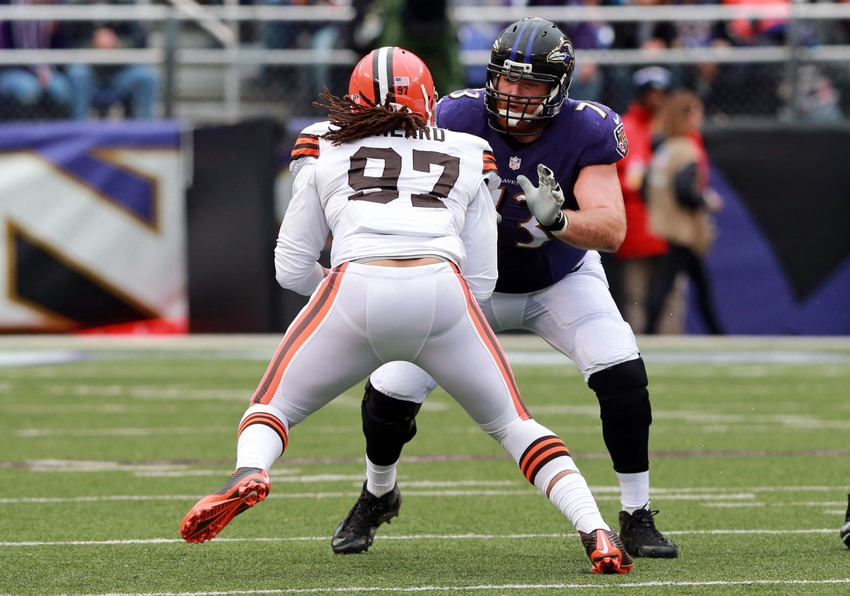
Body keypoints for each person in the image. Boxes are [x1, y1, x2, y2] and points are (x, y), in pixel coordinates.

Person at [179, 46, 633, 575]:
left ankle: (249, 470)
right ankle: (595, 527)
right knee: (515, 425)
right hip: (442, 288)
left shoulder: (321, 145)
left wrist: (338, 294)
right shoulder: (469, 150)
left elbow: (291, 266)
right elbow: (483, 278)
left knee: (270, 409)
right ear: (428, 100)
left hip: (355, 284)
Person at [332, 18, 679, 561]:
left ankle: (636, 514)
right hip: (468, 283)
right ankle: (378, 493)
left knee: (624, 375)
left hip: (557, 279)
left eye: (531, 84)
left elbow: (612, 230)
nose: (515, 94)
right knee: (389, 392)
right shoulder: (453, 116)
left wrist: (560, 219)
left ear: (559, 88)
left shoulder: (587, 129)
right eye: (507, 80)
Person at [643, 90, 724, 335]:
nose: (700, 118)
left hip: (667, 224)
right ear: (685, 116)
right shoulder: (686, 150)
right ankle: (717, 334)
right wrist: (706, 200)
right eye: (696, 113)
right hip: (682, 229)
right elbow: (684, 191)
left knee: (691, 282)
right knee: (674, 283)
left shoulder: (664, 150)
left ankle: (717, 332)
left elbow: (645, 187)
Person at [612, 66, 678, 335]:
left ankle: (673, 348)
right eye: (651, 92)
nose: (657, 99)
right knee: (635, 293)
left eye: (662, 93)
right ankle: (637, 348)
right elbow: (625, 180)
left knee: (672, 294)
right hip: (637, 223)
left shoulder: (676, 128)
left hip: (671, 224)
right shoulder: (624, 128)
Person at [66, 0, 158, 120]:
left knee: (146, 77)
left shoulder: (126, 4)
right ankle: (78, 131)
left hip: (120, 72)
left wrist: (117, 43)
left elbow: (140, 39)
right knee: (77, 73)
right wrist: (94, 43)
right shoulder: (79, 6)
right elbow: (70, 42)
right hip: (91, 73)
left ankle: (146, 133)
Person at [0, 0, 74, 118]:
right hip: (13, 70)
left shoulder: (54, 8)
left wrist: (57, 28)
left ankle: (63, 129)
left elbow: (63, 49)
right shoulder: (9, 6)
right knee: (29, 89)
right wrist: (34, 71)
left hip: (47, 70)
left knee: (61, 90)